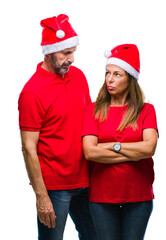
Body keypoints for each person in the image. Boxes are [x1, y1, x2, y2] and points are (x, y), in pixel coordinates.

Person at [18, 14, 97, 240]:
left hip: (87, 180)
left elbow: (90, 121)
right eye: (65, 53)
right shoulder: (32, 92)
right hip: (55, 188)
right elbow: (28, 148)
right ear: (49, 51)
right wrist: (41, 197)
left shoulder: (79, 76)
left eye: (73, 52)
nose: (71, 59)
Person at [82, 44, 158, 240]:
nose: (110, 79)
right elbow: (90, 152)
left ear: (130, 78)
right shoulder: (93, 110)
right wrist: (133, 153)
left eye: (117, 74)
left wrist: (110, 146)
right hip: (101, 198)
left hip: (138, 197)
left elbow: (149, 148)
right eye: (108, 73)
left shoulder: (146, 110)